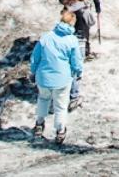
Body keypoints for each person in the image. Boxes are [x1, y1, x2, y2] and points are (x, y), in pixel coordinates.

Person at [29, 10, 83, 145]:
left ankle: (39, 124)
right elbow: (76, 61)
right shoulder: (72, 40)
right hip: (62, 79)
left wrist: (33, 72)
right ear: (72, 23)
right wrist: (78, 72)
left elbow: (35, 57)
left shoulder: (46, 37)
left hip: (43, 77)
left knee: (43, 99)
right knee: (60, 106)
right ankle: (60, 130)